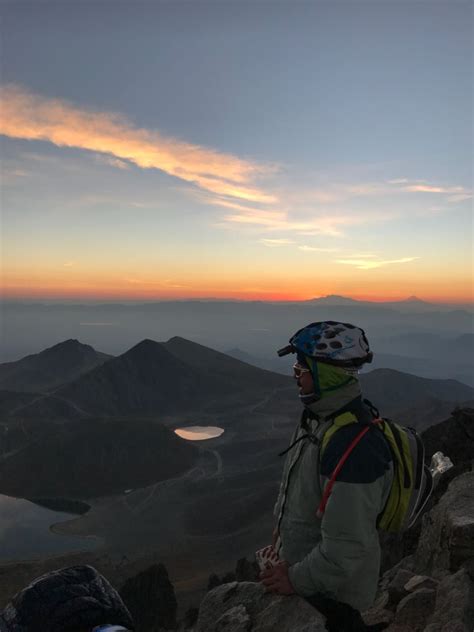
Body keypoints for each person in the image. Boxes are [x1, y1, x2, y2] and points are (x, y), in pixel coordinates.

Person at [259, 321, 393, 630]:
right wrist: (281, 536)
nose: (296, 379)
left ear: (325, 376)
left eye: (300, 372)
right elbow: (299, 491)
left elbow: (347, 546)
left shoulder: (355, 446)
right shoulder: (318, 419)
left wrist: (294, 579)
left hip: (333, 597)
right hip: (311, 582)